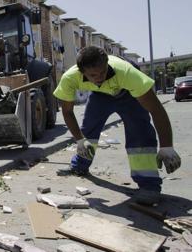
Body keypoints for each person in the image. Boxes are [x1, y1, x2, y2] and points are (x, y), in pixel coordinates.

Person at [54, 46, 181, 205]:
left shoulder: (127, 73)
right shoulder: (70, 78)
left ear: (107, 64)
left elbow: (156, 110)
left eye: (103, 72)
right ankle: (79, 165)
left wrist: (167, 146)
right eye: (93, 75)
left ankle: (149, 186)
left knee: (139, 133)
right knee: (87, 131)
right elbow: (67, 112)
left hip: (128, 94)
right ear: (82, 72)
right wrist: (79, 140)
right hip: (100, 95)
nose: (99, 77)